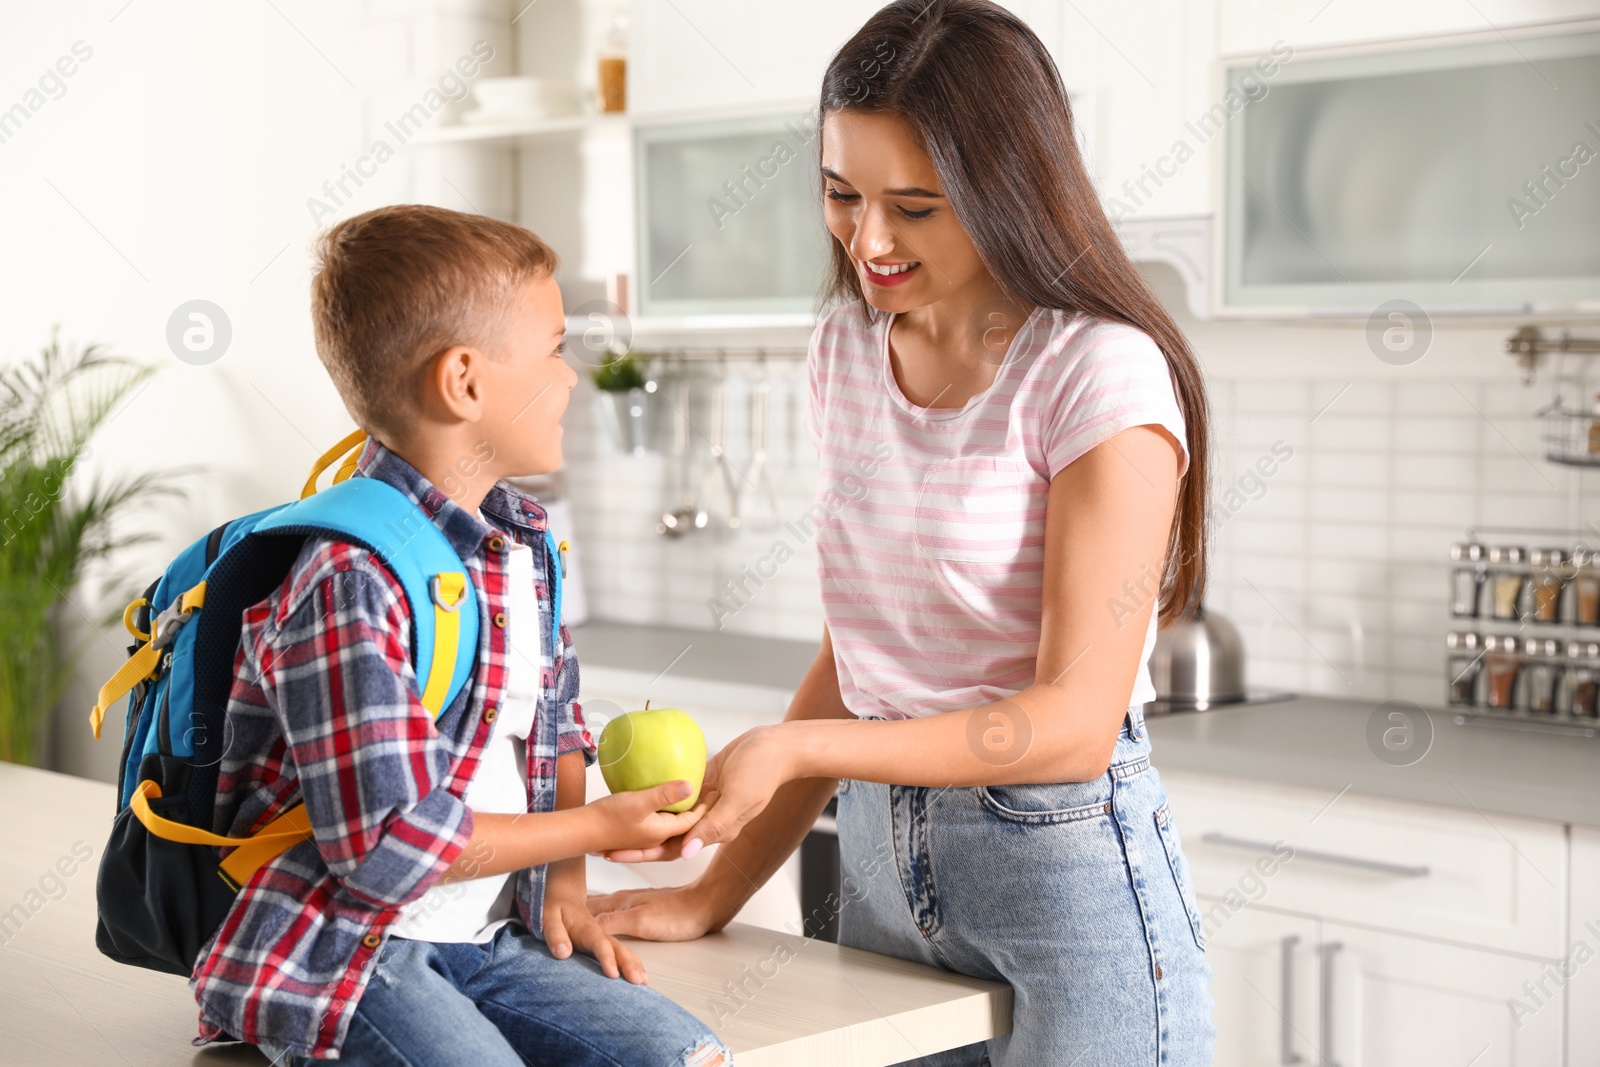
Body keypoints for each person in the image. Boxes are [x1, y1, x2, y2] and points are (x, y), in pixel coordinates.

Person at [590, 3, 1217, 1064]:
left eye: (914, 207)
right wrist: (713, 892)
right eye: (841, 194)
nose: (867, 240)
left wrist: (797, 747)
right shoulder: (844, 350)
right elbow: (862, 655)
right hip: (883, 876)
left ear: (1006, 190)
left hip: (1065, 881)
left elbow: (1072, 722)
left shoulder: (1094, 372)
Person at [190, 204, 729, 1067]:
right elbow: (388, 845)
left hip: (486, 937)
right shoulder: (348, 579)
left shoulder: (523, 543)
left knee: (686, 1055)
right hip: (347, 949)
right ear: (466, 382)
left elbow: (555, 726)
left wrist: (567, 886)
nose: (572, 377)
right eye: (555, 349)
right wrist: (592, 830)